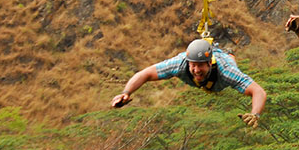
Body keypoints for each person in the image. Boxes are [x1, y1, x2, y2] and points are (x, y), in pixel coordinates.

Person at [111, 39, 266, 128]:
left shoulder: (225, 71)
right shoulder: (180, 64)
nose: (196, 70)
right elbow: (145, 73)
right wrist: (126, 93)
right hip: (206, 76)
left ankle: (229, 52)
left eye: (200, 65)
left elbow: (258, 91)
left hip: (223, 63)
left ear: (209, 63)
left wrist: (255, 114)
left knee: (229, 58)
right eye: (193, 65)